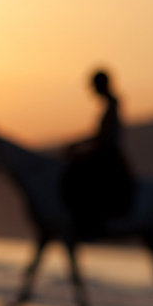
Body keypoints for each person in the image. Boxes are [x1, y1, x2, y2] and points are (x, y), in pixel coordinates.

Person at [61, 68, 135, 237]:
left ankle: (91, 220)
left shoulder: (112, 105)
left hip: (107, 155)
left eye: (94, 87)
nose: (93, 91)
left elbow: (103, 136)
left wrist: (79, 146)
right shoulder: (110, 105)